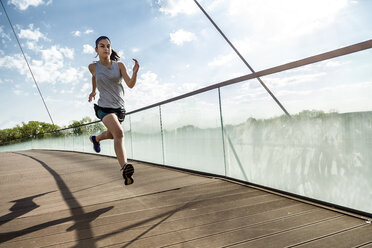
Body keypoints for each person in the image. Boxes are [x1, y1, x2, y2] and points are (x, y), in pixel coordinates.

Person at [88, 36, 139, 186]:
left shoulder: (120, 65)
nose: (106, 48)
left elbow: (130, 84)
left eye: (108, 46)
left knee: (112, 134)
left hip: (119, 108)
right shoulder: (93, 66)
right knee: (119, 133)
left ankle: (95, 139)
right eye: (102, 46)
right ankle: (124, 168)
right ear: (96, 50)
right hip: (104, 108)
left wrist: (135, 72)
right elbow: (94, 76)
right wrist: (93, 91)